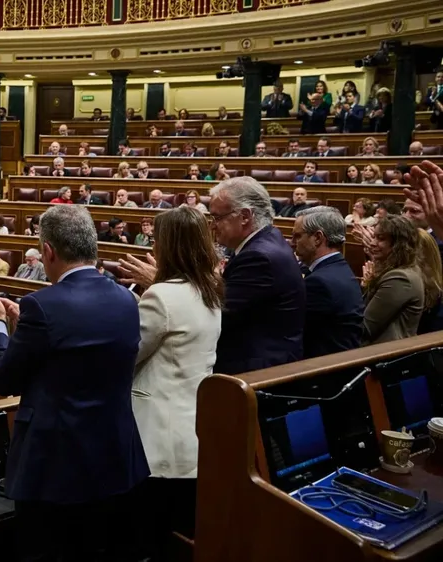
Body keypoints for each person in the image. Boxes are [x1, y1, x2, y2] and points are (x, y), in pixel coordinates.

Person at [0, 204, 148, 561]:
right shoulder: (127, 299)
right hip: (115, 457)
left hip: (55, 466)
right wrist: (26, 328)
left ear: (48, 251)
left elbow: (5, 379)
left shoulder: (42, 305)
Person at [123, 207, 224, 561]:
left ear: (169, 246)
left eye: (156, 241)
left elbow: (128, 355)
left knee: (146, 539)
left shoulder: (161, 296)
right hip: (192, 432)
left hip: (157, 439)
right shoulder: (210, 290)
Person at [207, 177, 305, 374]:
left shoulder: (258, 257)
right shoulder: (269, 239)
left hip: (256, 370)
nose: (212, 226)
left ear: (244, 216)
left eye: (217, 218)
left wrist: (167, 287)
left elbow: (218, 316)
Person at [290, 207, 364, 358]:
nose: (292, 243)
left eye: (297, 236)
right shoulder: (339, 268)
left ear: (318, 238)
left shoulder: (319, 283)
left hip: (322, 367)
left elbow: (289, 327)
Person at [361, 215, 424, 344]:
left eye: (381, 238)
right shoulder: (402, 269)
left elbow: (365, 328)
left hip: (384, 351)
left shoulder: (400, 278)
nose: (372, 243)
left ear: (399, 244)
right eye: (374, 237)